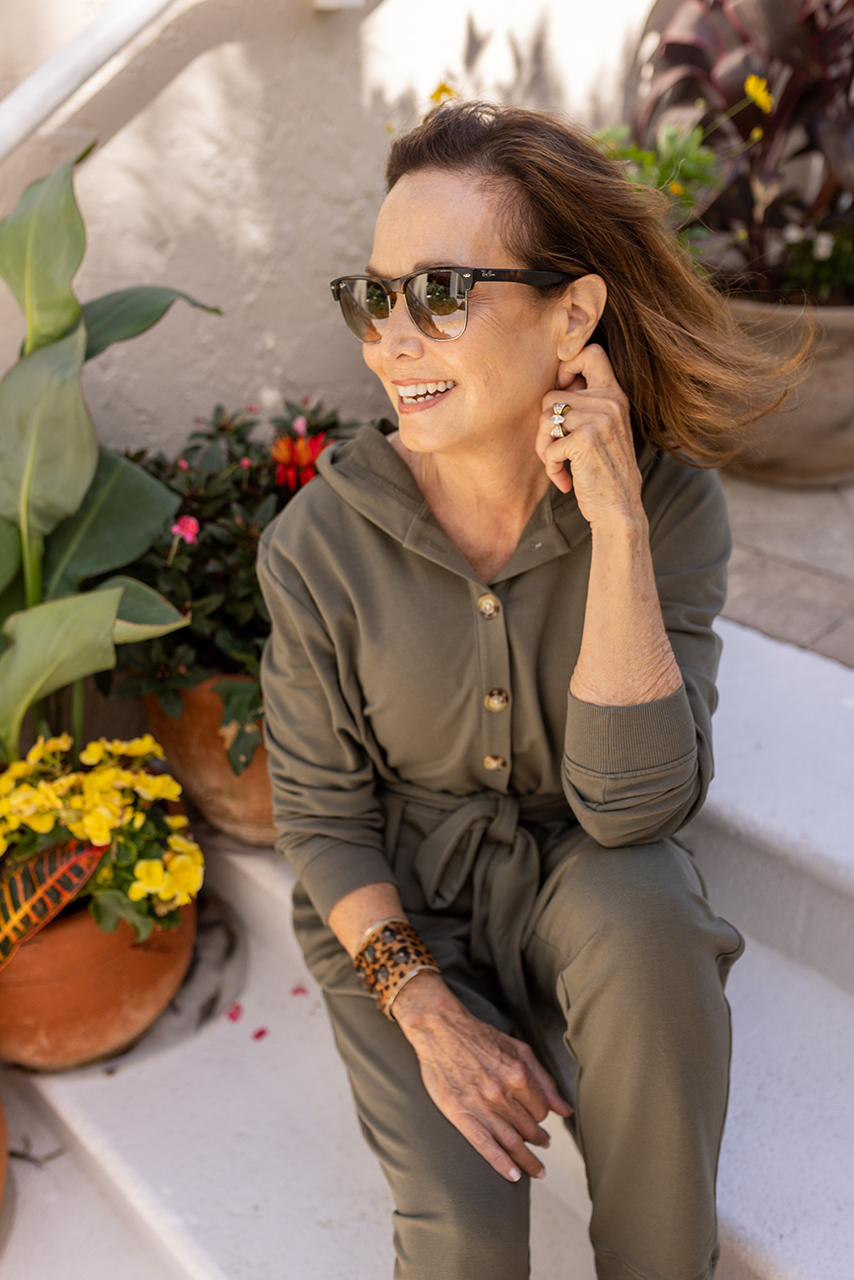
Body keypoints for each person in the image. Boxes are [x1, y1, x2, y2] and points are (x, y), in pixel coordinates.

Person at [258, 102, 797, 1280]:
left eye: (440, 292)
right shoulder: (317, 547)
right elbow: (322, 819)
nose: (391, 339)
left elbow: (631, 806)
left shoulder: (661, 503)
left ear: (574, 315)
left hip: (586, 883)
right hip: (403, 920)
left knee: (645, 898)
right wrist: (427, 1009)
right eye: (373, 296)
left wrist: (610, 525)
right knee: (463, 1239)